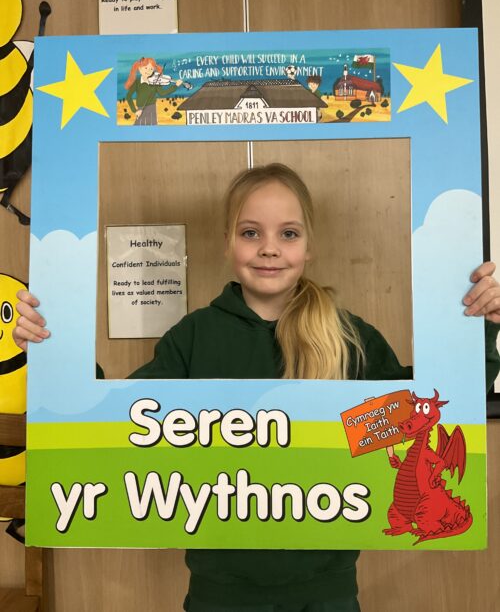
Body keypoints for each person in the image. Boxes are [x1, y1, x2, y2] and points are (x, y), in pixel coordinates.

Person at [14, 164, 500, 611]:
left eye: (288, 233)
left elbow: (435, 411)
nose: (270, 248)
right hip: (218, 592)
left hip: (327, 591)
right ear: (228, 243)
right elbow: (116, 423)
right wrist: (54, 348)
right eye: (251, 233)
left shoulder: (350, 337)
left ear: (308, 246)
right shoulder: (193, 337)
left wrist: (479, 324)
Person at [124, 56, 182, 125]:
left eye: (151, 69)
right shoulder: (137, 82)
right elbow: (128, 96)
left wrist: (175, 86)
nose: (148, 71)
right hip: (140, 110)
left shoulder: (156, 81)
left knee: (152, 125)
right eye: (146, 68)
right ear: (139, 68)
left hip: (152, 109)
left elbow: (162, 93)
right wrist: (135, 111)